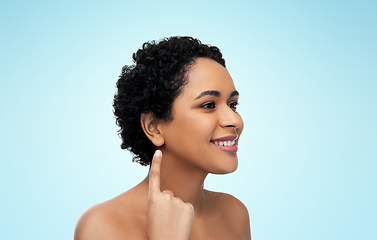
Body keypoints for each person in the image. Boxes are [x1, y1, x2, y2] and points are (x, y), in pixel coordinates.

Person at [74, 36, 251, 240]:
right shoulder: (103, 226)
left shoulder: (234, 213)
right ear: (154, 126)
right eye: (208, 105)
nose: (234, 120)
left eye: (232, 104)